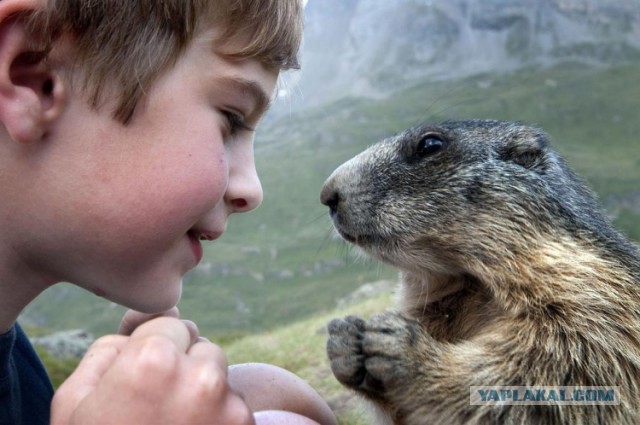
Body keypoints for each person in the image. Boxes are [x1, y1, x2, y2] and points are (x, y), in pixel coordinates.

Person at [0, 0, 337, 424]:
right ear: (35, 77)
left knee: (274, 395)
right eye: (231, 119)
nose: (252, 190)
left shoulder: (21, 375)